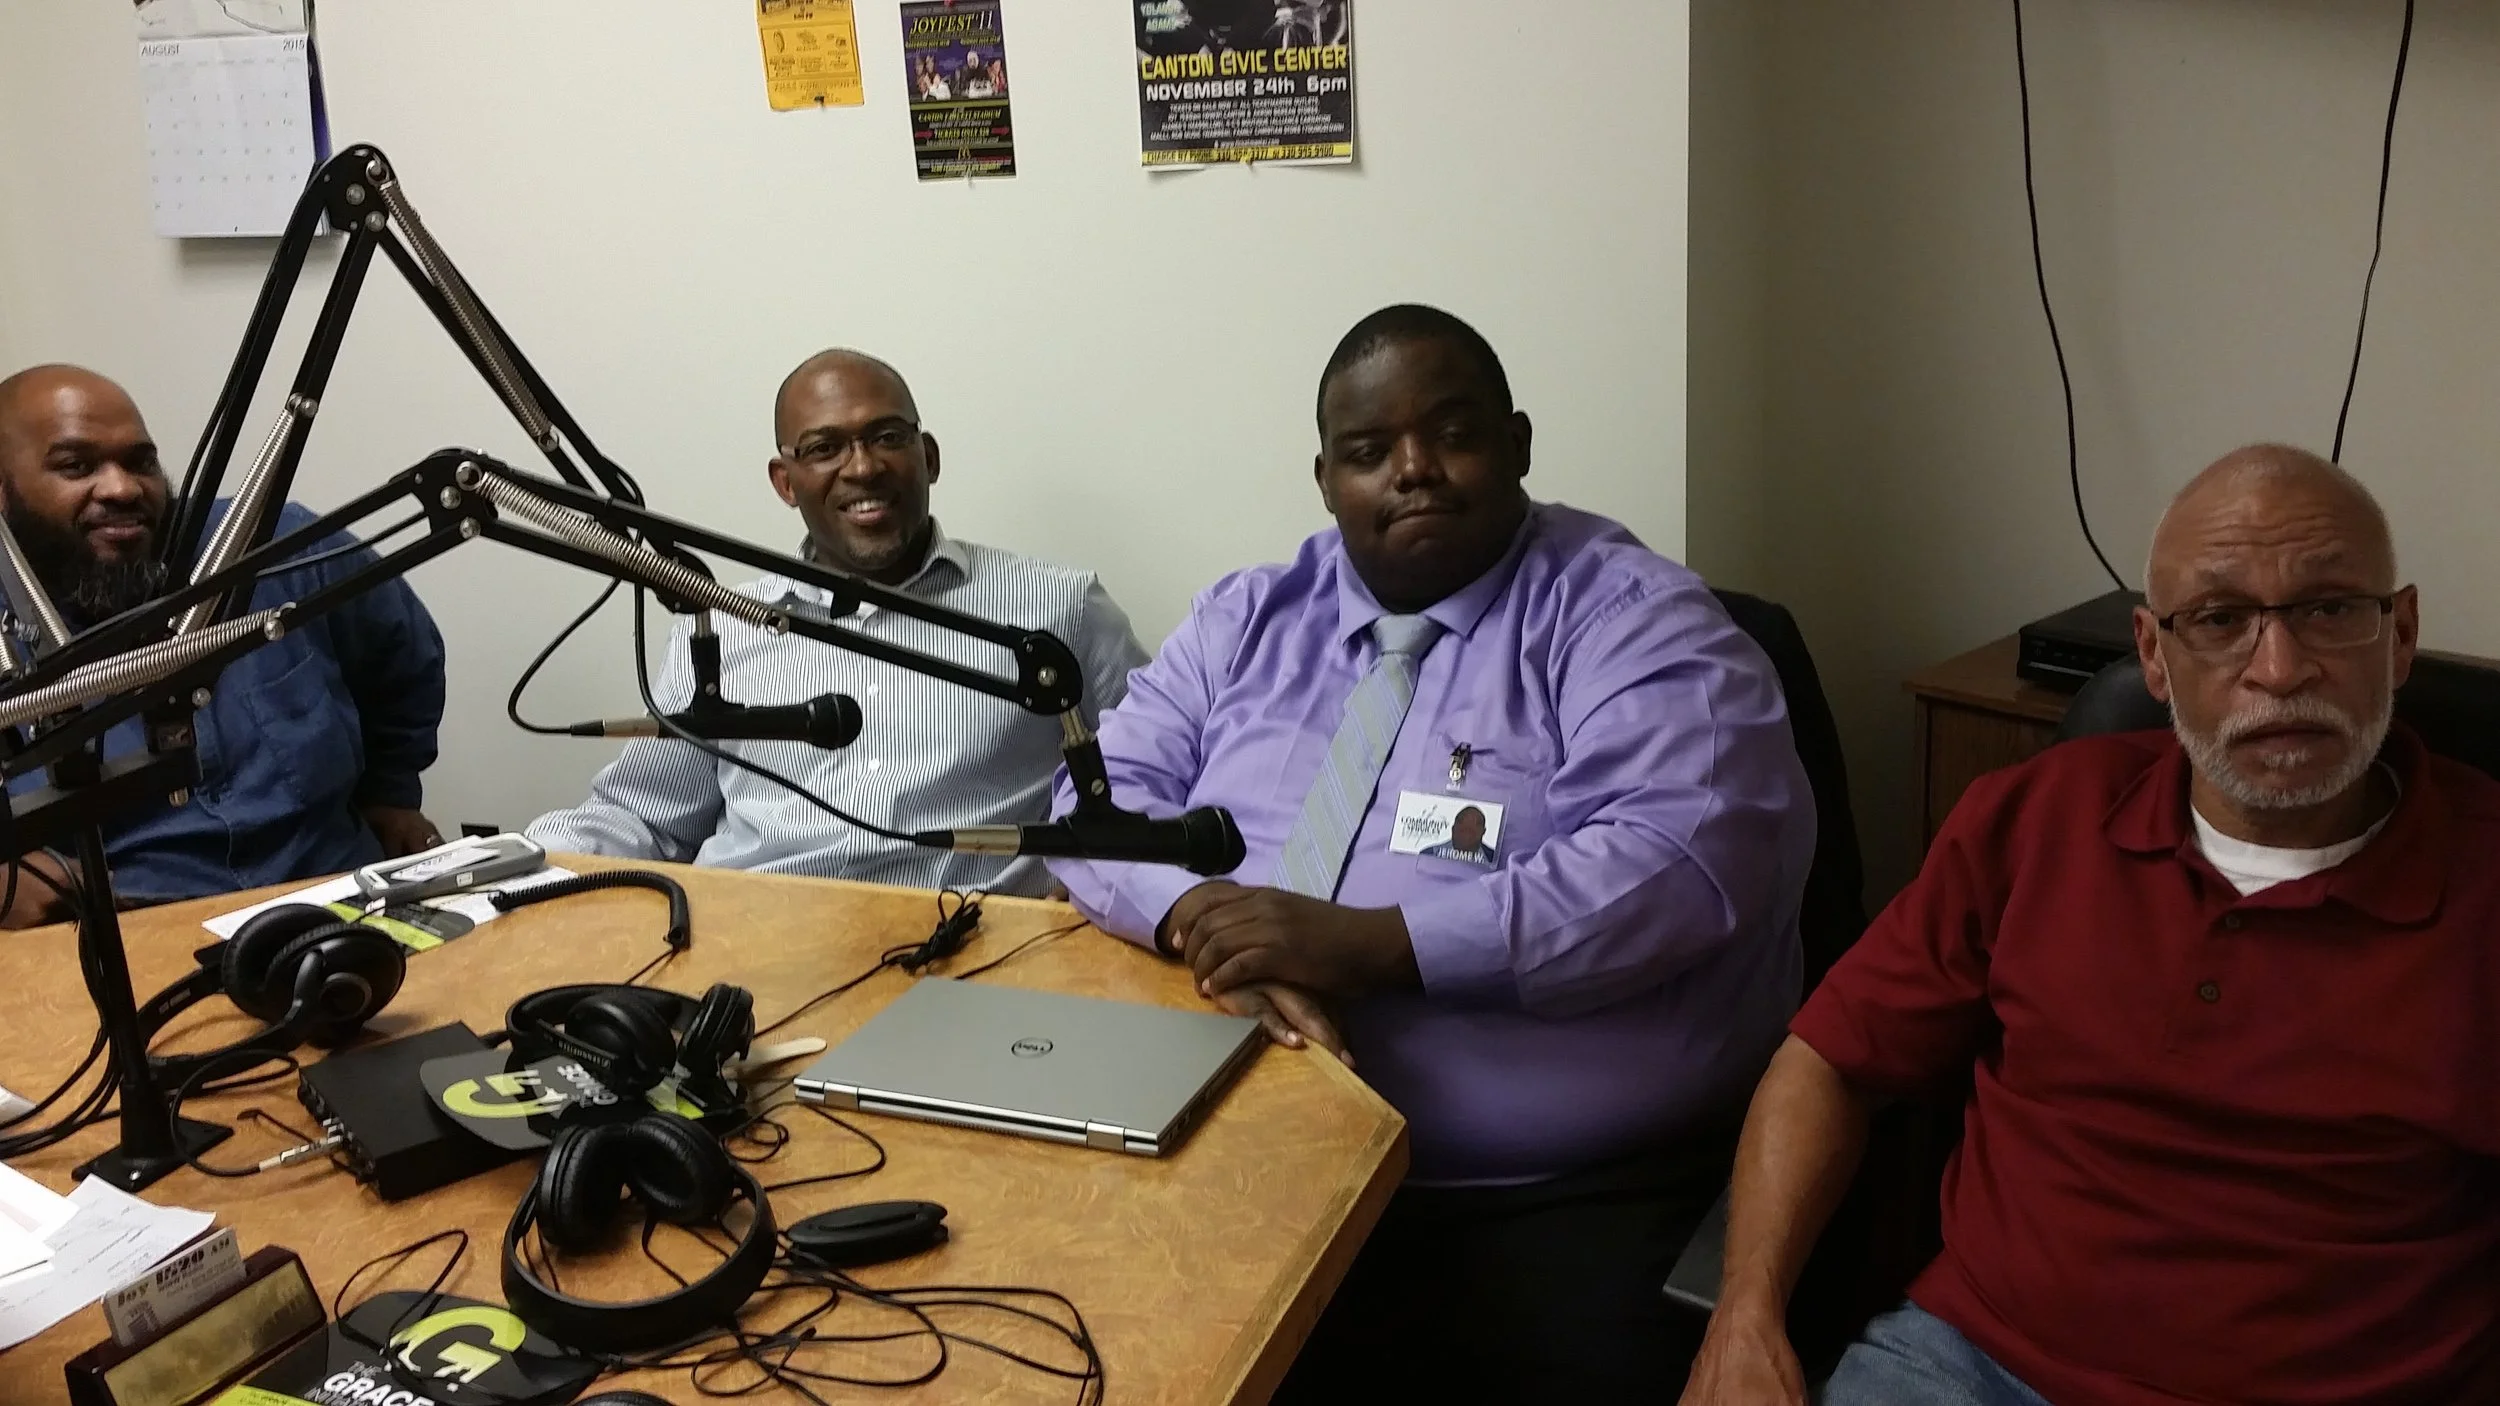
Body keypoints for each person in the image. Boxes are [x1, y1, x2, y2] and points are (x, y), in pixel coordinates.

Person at [1049, 305, 1816, 1403]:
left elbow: (1673, 863)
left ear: (1517, 443)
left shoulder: (1636, 619)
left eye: (1450, 434)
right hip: (1229, 1150)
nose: (1412, 471)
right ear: (1325, 479)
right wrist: (1206, 924)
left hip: (1538, 1199)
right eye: (1368, 452)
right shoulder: (1247, 615)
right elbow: (1088, 806)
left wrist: (1371, 943)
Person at [1681, 445, 2500, 1406]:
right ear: (2154, 656)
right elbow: (1828, 1059)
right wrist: (1746, 1315)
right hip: (1975, 1365)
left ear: (2399, 634)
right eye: (2221, 619)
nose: (2279, 670)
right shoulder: (2034, 820)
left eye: (2328, 608)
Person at [528, 350, 1148, 896]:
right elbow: (641, 817)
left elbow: (1158, 778)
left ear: (928, 457)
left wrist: (1096, 880)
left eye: (887, 437)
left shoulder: (1058, 608)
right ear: (785, 482)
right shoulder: (720, 626)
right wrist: (505, 865)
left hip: (967, 950)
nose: (862, 468)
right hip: (749, 941)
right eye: (824, 448)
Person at [0, 365, 448, 923]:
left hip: (336, 894)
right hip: (126, 925)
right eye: (76, 466)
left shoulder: (273, 545)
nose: (121, 488)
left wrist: (392, 792)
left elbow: (404, 660)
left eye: (140, 462)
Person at [1418, 803, 1493, 863]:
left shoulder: (1494, 859)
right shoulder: (1428, 855)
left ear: (1483, 832)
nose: (1466, 837)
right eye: (1463, 830)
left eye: (1471, 832)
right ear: (1453, 829)